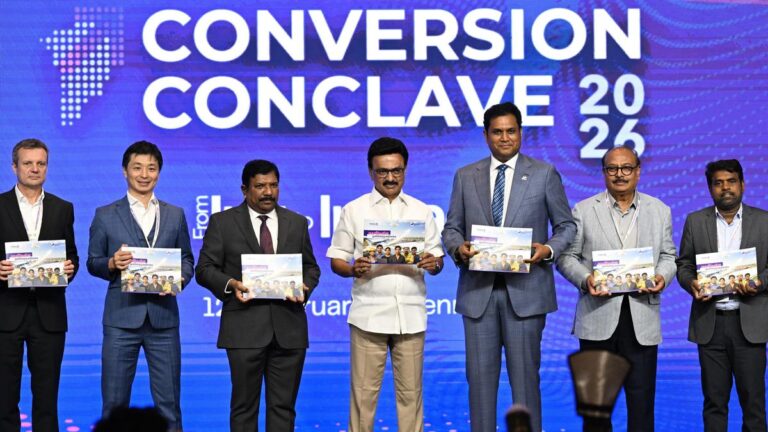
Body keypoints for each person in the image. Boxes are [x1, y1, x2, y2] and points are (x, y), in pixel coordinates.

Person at [442, 102, 576, 431]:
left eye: (511, 131)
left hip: (526, 294)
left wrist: (548, 249)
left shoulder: (544, 173)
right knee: (479, 385)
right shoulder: (465, 176)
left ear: (521, 133)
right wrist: (458, 248)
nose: (505, 138)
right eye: (498, 132)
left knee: (526, 384)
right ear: (486, 136)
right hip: (479, 294)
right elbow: (451, 228)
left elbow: (566, 226)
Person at [556, 146, 677, 432]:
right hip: (597, 318)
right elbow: (566, 257)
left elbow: (669, 256)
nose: (619, 174)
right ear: (604, 173)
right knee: (596, 410)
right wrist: (586, 280)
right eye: (612, 168)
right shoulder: (584, 210)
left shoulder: (659, 210)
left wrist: (662, 277)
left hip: (641, 319)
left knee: (641, 407)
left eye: (626, 168)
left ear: (638, 171)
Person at [327, 137, 444, 432]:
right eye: (382, 171)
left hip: (411, 317)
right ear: (371, 171)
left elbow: (438, 259)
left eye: (396, 170)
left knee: (411, 398)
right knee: (363, 398)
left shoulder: (421, 210)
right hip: (368, 316)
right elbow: (337, 259)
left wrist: (434, 263)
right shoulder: (353, 210)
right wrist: (352, 269)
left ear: (405, 170)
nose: (390, 177)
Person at [195, 159, 321, 432]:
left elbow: (311, 268)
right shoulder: (222, 223)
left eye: (273, 185)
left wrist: (305, 287)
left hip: (289, 329)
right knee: (244, 408)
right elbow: (204, 269)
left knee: (284, 408)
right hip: (243, 329)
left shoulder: (297, 222)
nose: (268, 192)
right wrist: (231, 283)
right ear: (245, 189)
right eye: (260, 186)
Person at [86, 141, 194, 430]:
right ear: (125, 171)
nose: (144, 175)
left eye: (151, 168)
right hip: (121, 320)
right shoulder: (105, 214)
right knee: (113, 405)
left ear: (159, 172)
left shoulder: (175, 214)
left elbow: (186, 259)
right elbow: (93, 262)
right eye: (137, 168)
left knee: (170, 407)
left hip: (164, 320)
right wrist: (112, 263)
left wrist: (180, 278)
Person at [676, 159, 768, 432]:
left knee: (753, 403)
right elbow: (684, 265)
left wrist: (760, 283)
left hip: (749, 324)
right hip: (710, 323)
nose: (725, 188)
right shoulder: (695, 221)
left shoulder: (764, 221)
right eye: (718, 183)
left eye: (731, 181)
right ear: (710, 188)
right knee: (714, 402)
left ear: (742, 185)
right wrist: (691, 283)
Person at [0, 138, 79, 432]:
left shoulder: (62, 208)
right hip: (5, 312)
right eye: (28, 163)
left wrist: (69, 269)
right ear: (14, 167)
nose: (35, 169)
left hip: (49, 313)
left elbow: (72, 256)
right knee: (3, 397)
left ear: (47, 167)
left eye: (41, 163)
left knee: (46, 400)